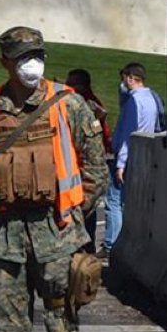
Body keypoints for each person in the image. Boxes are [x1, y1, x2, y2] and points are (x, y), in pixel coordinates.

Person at [0, 25, 107, 332]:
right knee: (7, 330)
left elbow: (96, 168)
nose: (32, 64)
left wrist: (71, 214)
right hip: (8, 237)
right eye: (22, 58)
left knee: (62, 325)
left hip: (57, 232)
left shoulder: (68, 105)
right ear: (5, 61)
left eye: (37, 56)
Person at [103, 62, 163, 256]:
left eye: (124, 79)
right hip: (144, 154)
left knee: (114, 201)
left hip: (128, 157)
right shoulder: (152, 97)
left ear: (129, 78)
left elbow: (129, 133)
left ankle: (112, 244)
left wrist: (120, 164)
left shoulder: (133, 101)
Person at [65, 68, 110, 252]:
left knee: (83, 212)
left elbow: (100, 135)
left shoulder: (87, 105)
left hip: (82, 168)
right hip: (77, 167)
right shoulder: (86, 102)